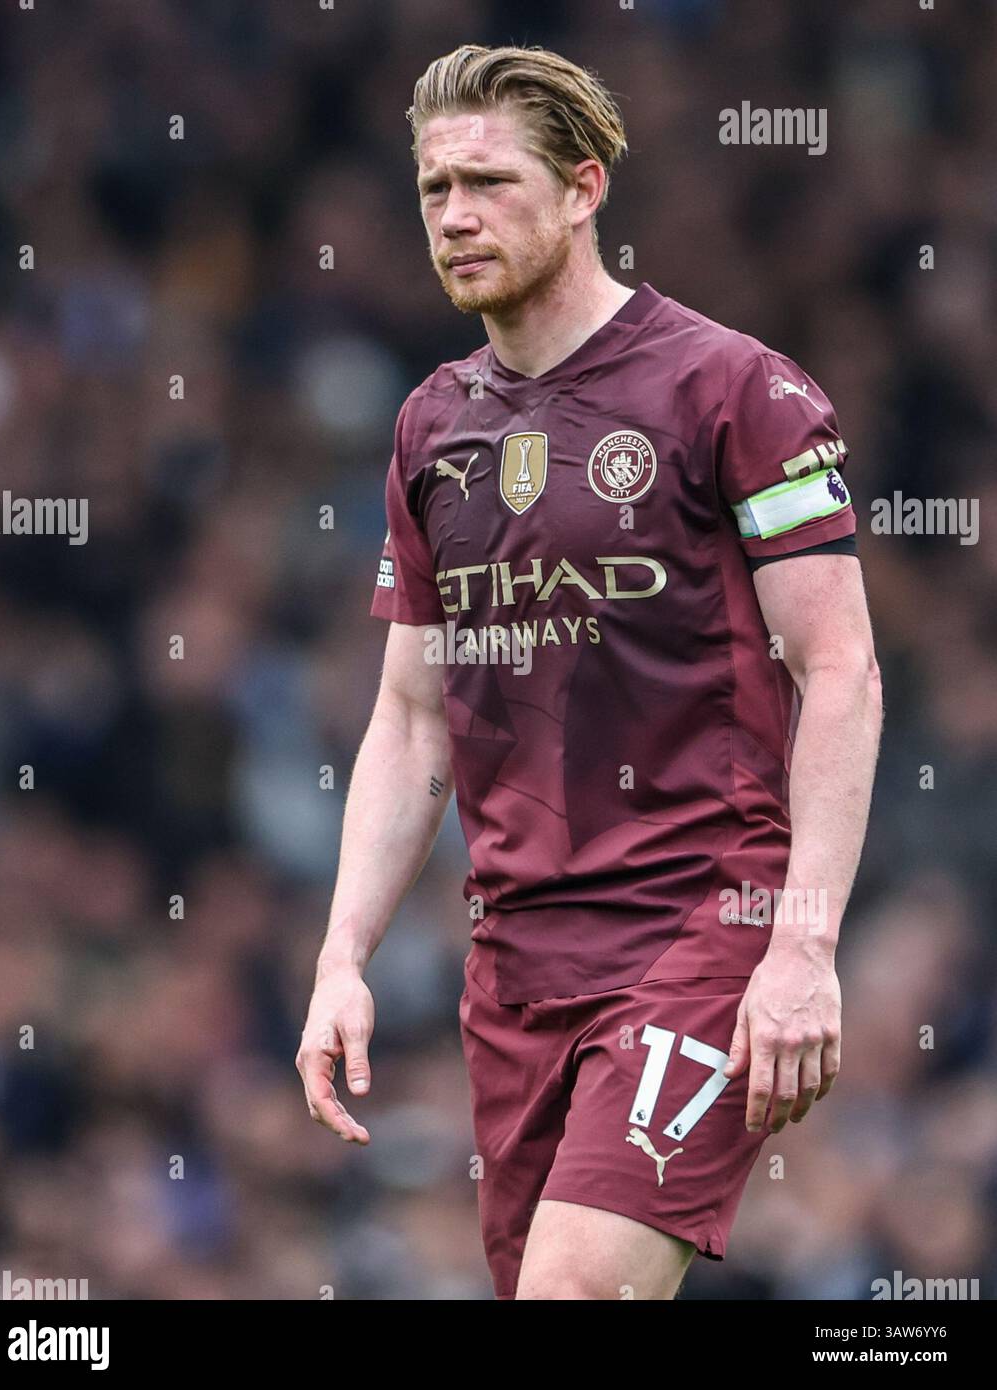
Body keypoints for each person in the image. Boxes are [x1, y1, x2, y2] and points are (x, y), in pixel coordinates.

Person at [298, 43, 883, 1300]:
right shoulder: (429, 427)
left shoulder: (732, 387)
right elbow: (410, 723)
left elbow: (840, 672)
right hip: (514, 968)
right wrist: (342, 953)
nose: (456, 217)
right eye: (434, 190)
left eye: (490, 183)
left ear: (583, 187)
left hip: (701, 925)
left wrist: (802, 946)